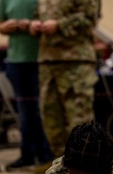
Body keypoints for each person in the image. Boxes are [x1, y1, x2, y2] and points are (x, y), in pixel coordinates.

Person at [28, 0, 101, 160]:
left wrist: (59, 25)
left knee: (79, 119)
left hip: (76, 61)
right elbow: (37, 14)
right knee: (51, 118)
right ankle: (63, 170)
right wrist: (34, 24)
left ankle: (85, 169)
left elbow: (89, 18)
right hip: (48, 61)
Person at [0, 0, 53, 173]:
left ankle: (45, 155)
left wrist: (31, 25)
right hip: (16, 61)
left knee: (41, 110)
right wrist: (10, 26)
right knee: (24, 112)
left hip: (40, 60)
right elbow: (0, 26)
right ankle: (27, 155)